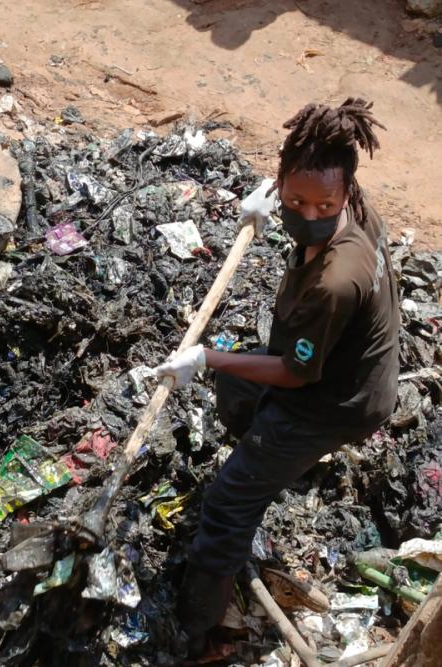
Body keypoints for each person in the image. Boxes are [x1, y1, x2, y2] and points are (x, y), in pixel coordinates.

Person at [155, 98, 400, 656]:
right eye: (293, 198)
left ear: (344, 195)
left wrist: (206, 358)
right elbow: (307, 188)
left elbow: (292, 373)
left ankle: (197, 628)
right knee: (240, 386)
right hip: (341, 361)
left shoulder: (336, 281)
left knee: (224, 505)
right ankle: (268, 458)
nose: (307, 213)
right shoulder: (350, 199)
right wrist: (266, 209)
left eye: (321, 205)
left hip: (340, 399)